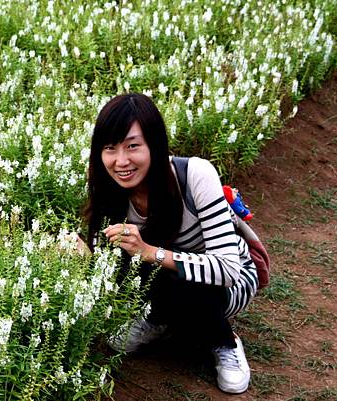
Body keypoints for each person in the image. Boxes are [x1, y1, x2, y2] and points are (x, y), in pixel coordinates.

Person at [82, 93, 258, 394]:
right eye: (110, 148)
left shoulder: (194, 175)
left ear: (154, 144)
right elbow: (110, 263)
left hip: (225, 286)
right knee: (128, 276)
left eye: (132, 146)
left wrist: (148, 251)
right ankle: (160, 319)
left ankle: (224, 341)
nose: (121, 161)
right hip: (162, 279)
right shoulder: (107, 187)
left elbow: (229, 270)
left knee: (182, 280)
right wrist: (85, 256)